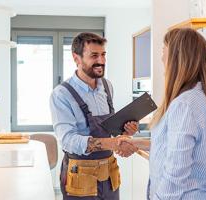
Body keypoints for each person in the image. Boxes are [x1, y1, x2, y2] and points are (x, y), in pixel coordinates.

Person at [119, 28, 206, 199]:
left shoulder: (184, 105)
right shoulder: (200, 97)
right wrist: (136, 142)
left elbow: (176, 171)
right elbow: (173, 147)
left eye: (163, 52)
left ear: (177, 59)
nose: (161, 59)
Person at [50, 32, 139, 200]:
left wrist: (125, 131)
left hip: (109, 174)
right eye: (94, 55)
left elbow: (109, 129)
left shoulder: (107, 86)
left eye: (103, 54)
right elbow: (68, 140)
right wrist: (114, 143)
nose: (101, 61)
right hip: (80, 178)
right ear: (76, 58)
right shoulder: (61, 94)